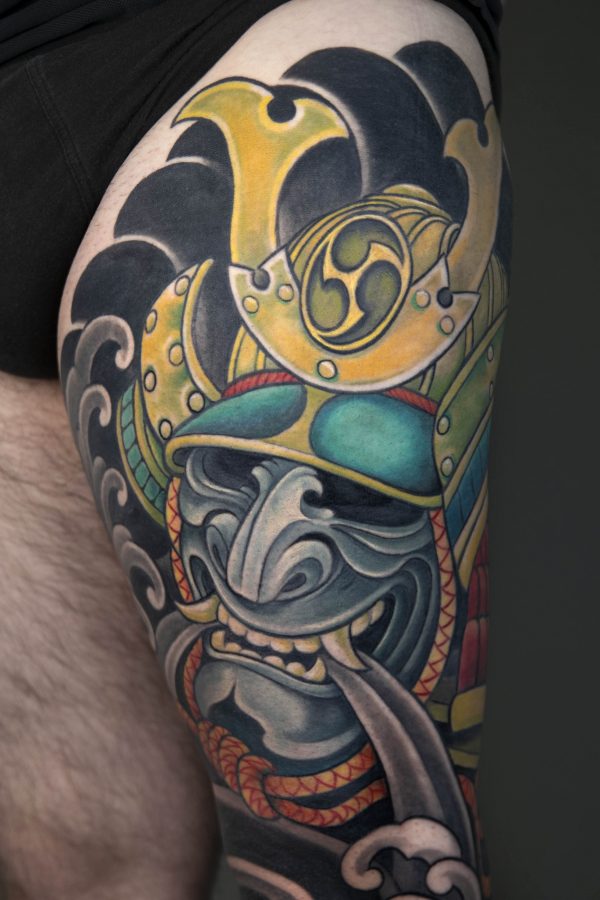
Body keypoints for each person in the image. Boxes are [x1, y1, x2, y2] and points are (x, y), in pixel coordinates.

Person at [0, 1, 510, 897]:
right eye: (230, 470)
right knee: (96, 859)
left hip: (231, 30)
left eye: (347, 499)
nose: (261, 559)